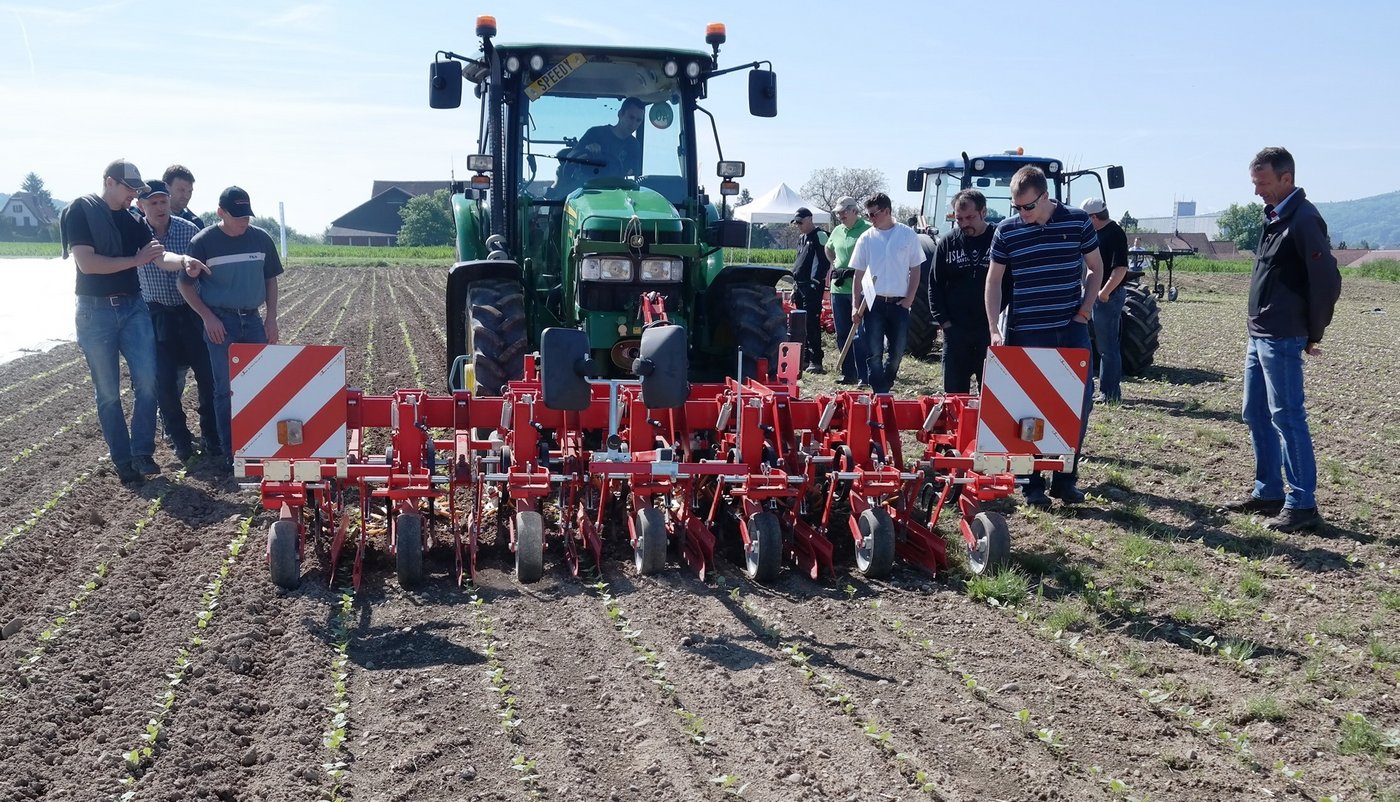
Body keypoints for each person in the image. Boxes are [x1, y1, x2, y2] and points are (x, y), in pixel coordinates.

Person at [1221, 147, 1341, 533]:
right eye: (1255, 183)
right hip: (1259, 335)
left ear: (1286, 179)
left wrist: (1313, 332)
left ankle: (1302, 503)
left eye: (1263, 183)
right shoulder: (1275, 217)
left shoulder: (1304, 220)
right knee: (1255, 414)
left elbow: (1327, 282)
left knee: (1288, 418)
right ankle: (1268, 491)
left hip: (1283, 335)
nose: (1258, 191)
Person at [59, 159, 199, 486]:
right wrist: (135, 261)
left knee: (148, 380)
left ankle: (141, 452)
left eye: (136, 191)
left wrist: (184, 261)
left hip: (133, 308)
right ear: (109, 182)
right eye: (129, 189)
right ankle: (124, 462)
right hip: (96, 312)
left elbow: (158, 256)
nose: (132, 196)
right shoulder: (82, 211)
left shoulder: (133, 219)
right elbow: (88, 263)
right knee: (108, 392)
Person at [984, 166, 1104, 507]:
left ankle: (1065, 480)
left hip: (1070, 330)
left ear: (1045, 196)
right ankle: (1031, 483)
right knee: (1027, 407)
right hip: (1026, 330)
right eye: (1016, 207)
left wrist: (1084, 312)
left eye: (1028, 207)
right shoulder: (1007, 232)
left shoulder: (1078, 222)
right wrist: (994, 327)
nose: (1021, 214)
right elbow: (993, 282)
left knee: (1076, 405)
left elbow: (1096, 268)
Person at [180, 186, 283, 469]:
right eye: (236, 216)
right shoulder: (204, 242)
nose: (243, 221)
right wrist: (207, 317)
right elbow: (184, 285)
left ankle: (261, 445)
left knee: (260, 384)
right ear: (220, 213)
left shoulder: (261, 239)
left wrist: (271, 317)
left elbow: (271, 280)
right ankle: (232, 451)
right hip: (220, 322)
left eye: (246, 215)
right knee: (225, 388)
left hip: (251, 319)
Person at [136, 180, 218, 463]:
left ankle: (211, 434)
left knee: (208, 377)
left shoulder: (189, 230)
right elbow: (161, 260)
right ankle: (180, 438)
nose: (159, 207)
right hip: (156, 313)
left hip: (191, 311)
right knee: (164, 382)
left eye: (163, 201)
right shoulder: (136, 232)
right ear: (140, 205)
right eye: (152, 203)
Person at [849, 192, 924, 395]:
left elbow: (916, 268)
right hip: (873, 301)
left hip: (899, 302)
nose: (870, 219)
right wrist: (856, 305)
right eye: (869, 215)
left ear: (887, 211)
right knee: (874, 351)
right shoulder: (866, 238)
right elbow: (858, 274)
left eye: (873, 214)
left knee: (897, 351)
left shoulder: (907, 235)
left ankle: (886, 382)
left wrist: (909, 298)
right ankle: (879, 389)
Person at [928, 189, 994, 394]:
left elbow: (1009, 284)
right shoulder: (947, 243)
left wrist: (998, 324)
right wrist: (945, 323)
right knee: (954, 396)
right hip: (956, 331)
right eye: (959, 219)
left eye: (970, 217)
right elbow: (934, 285)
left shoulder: (998, 239)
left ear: (983, 212)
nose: (964, 224)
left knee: (993, 395)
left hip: (989, 331)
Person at [1082, 198, 1129, 403]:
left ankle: (1110, 393)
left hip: (1107, 298)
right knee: (1100, 346)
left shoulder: (1114, 233)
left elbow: (1120, 268)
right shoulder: (1097, 233)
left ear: (1094, 217)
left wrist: (1103, 293)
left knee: (1107, 348)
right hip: (1096, 296)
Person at [825, 196, 870, 385]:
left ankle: (864, 374)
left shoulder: (867, 229)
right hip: (839, 288)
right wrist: (833, 262)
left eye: (844, 212)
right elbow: (828, 248)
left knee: (861, 334)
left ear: (854, 211)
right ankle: (848, 373)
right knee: (843, 332)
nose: (840, 215)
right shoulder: (837, 230)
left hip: (860, 288)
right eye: (838, 212)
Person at [790, 207, 831, 373]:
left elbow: (823, 261)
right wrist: (794, 287)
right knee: (801, 324)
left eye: (800, 222)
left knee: (812, 322)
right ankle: (805, 358)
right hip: (799, 285)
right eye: (796, 223)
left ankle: (816, 359)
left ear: (810, 219)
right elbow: (798, 263)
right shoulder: (801, 238)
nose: (798, 225)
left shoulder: (819, 236)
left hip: (812, 286)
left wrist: (814, 282)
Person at [571, 97, 645, 177]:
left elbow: (629, 172)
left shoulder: (634, 145)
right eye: (631, 117)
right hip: (586, 186)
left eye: (638, 120)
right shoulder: (595, 133)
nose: (633, 124)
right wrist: (587, 150)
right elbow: (570, 157)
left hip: (614, 187)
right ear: (620, 114)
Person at [162, 164, 204, 231]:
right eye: (181, 190)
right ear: (166, 188)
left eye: (189, 191)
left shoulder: (196, 223)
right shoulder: (145, 220)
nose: (186, 196)